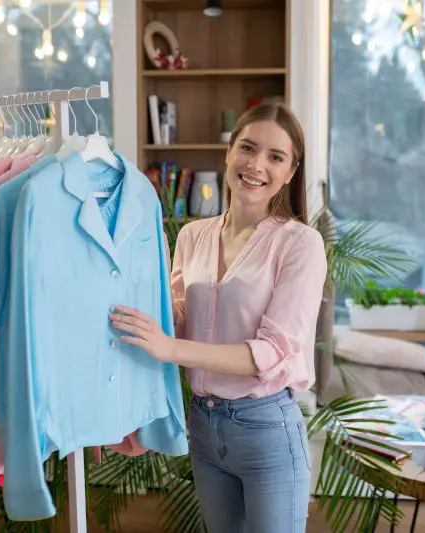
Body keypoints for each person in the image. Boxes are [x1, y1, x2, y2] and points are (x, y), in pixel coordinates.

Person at [109, 102, 328, 533]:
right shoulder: (192, 235)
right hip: (204, 427)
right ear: (229, 152)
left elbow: (270, 354)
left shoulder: (300, 244)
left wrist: (169, 348)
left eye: (275, 157)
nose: (256, 165)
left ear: (291, 171)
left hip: (266, 428)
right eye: (247, 148)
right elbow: (176, 319)